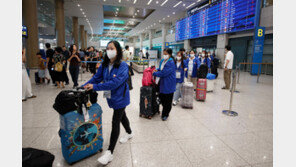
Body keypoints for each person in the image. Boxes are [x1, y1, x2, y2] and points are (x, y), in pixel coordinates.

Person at [83, 40, 132, 165]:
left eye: (112, 48)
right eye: (107, 48)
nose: (109, 51)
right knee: (122, 116)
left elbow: (115, 83)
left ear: (117, 50)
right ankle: (130, 133)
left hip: (121, 97)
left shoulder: (123, 66)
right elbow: (97, 77)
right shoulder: (104, 64)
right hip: (112, 97)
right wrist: (84, 86)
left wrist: (95, 87)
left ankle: (109, 152)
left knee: (115, 121)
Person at [153, 48, 176, 121]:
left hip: (168, 83)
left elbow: (164, 73)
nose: (164, 55)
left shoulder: (171, 62)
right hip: (162, 82)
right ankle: (164, 111)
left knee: (168, 100)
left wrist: (154, 73)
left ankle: (165, 114)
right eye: (164, 54)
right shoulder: (162, 61)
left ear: (170, 54)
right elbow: (161, 69)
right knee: (162, 97)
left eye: (166, 54)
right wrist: (157, 69)